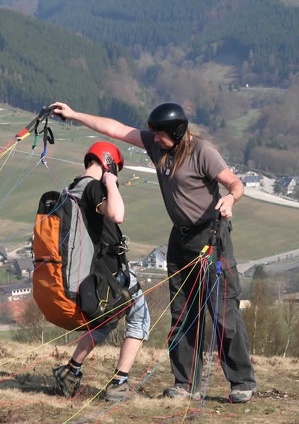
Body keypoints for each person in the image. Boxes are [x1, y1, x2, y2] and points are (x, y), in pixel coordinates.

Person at [50, 101, 257, 403]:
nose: (154, 139)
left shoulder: (203, 152)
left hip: (211, 236)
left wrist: (229, 200)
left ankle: (242, 382)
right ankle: (185, 384)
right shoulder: (158, 145)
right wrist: (74, 115)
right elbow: (117, 129)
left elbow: (235, 184)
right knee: (182, 312)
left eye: (160, 135)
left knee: (222, 311)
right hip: (180, 239)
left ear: (176, 131)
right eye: (153, 134)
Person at [52, 141, 151, 402]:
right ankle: (119, 384)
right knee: (139, 318)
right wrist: (108, 181)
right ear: (109, 163)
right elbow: (117, 214)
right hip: (109, 273)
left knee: (105, 322)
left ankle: (71, 370)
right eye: (115, 169)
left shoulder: (70, 188)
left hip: (89, 275)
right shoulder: (94, 188)